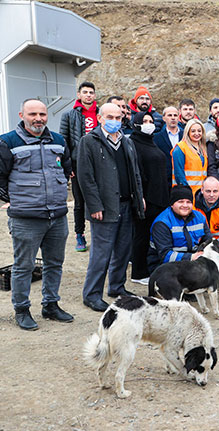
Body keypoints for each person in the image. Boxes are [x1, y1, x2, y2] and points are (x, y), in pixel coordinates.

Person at [0, 99, 74, 330]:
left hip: (57, 217)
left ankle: (50, 305)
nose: (38, 118)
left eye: (42, 113)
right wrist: (13, 201)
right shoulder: (7, 142)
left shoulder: (59, 141)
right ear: (22, 114)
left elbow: (67, 169)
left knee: (55, 263)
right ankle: (21, 309)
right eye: (33, 113)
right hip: (26, 218)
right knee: (24, 266)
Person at [78, 103, 145, 312]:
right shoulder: (89, 141)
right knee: (101, 253)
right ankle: (91, 294)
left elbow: (134, 172)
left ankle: (116, 287)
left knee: (123, 250)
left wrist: (139, 197)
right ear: (100, 118)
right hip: (104, 207)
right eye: (110, 117)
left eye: (118, 117)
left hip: (126, 204)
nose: (115, 121)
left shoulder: (126, 141)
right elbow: (85, 178)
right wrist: (95, 205)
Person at [129, 111, 171, 285]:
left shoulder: (150, 141)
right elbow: (136, 173)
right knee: (142, 236)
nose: (148, 123)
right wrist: (141, 197)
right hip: (147, 198)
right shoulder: (133, 143)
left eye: (150, 121)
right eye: (144, 121)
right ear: (136, 124)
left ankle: (151, 267)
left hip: (159, 197)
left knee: (153, 236)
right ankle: (138, 273)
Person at [60, 81, 98, 253]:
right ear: (79, 95)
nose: (88, 95)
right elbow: (64, 142)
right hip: (77, 163)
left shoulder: (101, 113)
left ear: (95, 95)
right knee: (79, 202)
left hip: (99, 164)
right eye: (85, 92)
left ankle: (97, 234)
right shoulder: (68, 115)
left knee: (99, 199)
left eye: (91, 92)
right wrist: (68, 166)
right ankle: (79, 234)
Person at [147, 185, 211, 273]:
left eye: (188, 202)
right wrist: (191, 257)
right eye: (180, 201)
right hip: (165, 266)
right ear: (172, 204)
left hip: (191, 260)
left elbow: (208, 240)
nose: (185, 205)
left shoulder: (200, 217)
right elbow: (165, 256)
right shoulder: (162, 223)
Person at [172, 118, 207, 195]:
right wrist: (186, 192)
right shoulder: (180, 148)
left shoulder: (203, 149)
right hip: (186, 193)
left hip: (201, 194)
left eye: (199, 131)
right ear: (187, 132)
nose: (197, 133)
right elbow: (179, 175)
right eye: (193, 131)